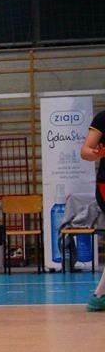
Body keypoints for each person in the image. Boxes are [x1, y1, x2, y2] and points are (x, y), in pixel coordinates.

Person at [80, 110, 105, 311]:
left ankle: (99, 295)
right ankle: (99, 295)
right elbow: (85, 151)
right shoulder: (103, 118)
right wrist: (97, 153)